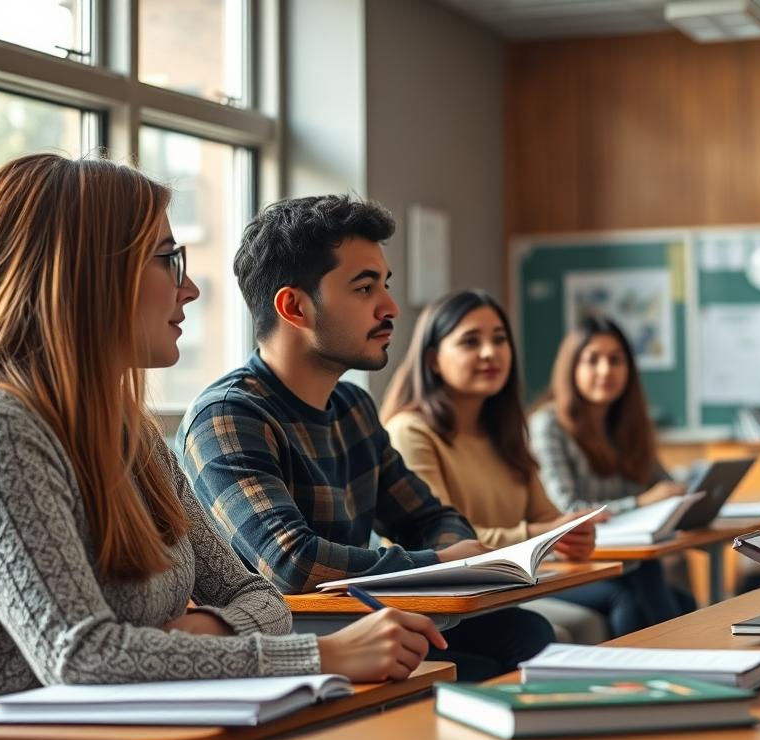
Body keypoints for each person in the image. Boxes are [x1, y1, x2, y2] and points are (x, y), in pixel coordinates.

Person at [0, 155, 444, 700]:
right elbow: (84, 656)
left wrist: (206, 632)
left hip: (155, 733)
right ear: (85, 275)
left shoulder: (132, 436)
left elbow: (257, 596)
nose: (189, 290)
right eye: (168, 260)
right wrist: (321, 654)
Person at [178, 196, 552, 681]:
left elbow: (431, 517)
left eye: (386, 285)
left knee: (526, 636)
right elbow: (292, 564)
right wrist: (439, 561)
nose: (391, 307)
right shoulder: (227, 416)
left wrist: (450, 558)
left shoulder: (353, 407)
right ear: (294, 306)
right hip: (291, 649)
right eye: (364, 288)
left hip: (363, 620)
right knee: (476, 667)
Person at [379, 292, 675, 637]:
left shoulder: (504, 432)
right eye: (470, 342)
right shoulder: (411, 431)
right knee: (615, 600)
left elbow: (547, 517)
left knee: (652, 583)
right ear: (432, 360)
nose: (490, 352)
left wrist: (568, 534)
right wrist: (544, 534)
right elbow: (444, 543)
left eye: (500, 339)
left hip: (507, 581)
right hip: (446, 596)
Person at [526, 315, 692, 633]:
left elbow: (665, 485)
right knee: (637, 587)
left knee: (678, 597)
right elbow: (569, 511)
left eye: (615, 360)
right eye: (592, 360)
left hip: (615, 554)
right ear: (571, 368)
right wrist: (642, 502)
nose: (605, 370)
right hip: (564, 559)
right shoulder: (548, 424)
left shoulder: (627, 424)